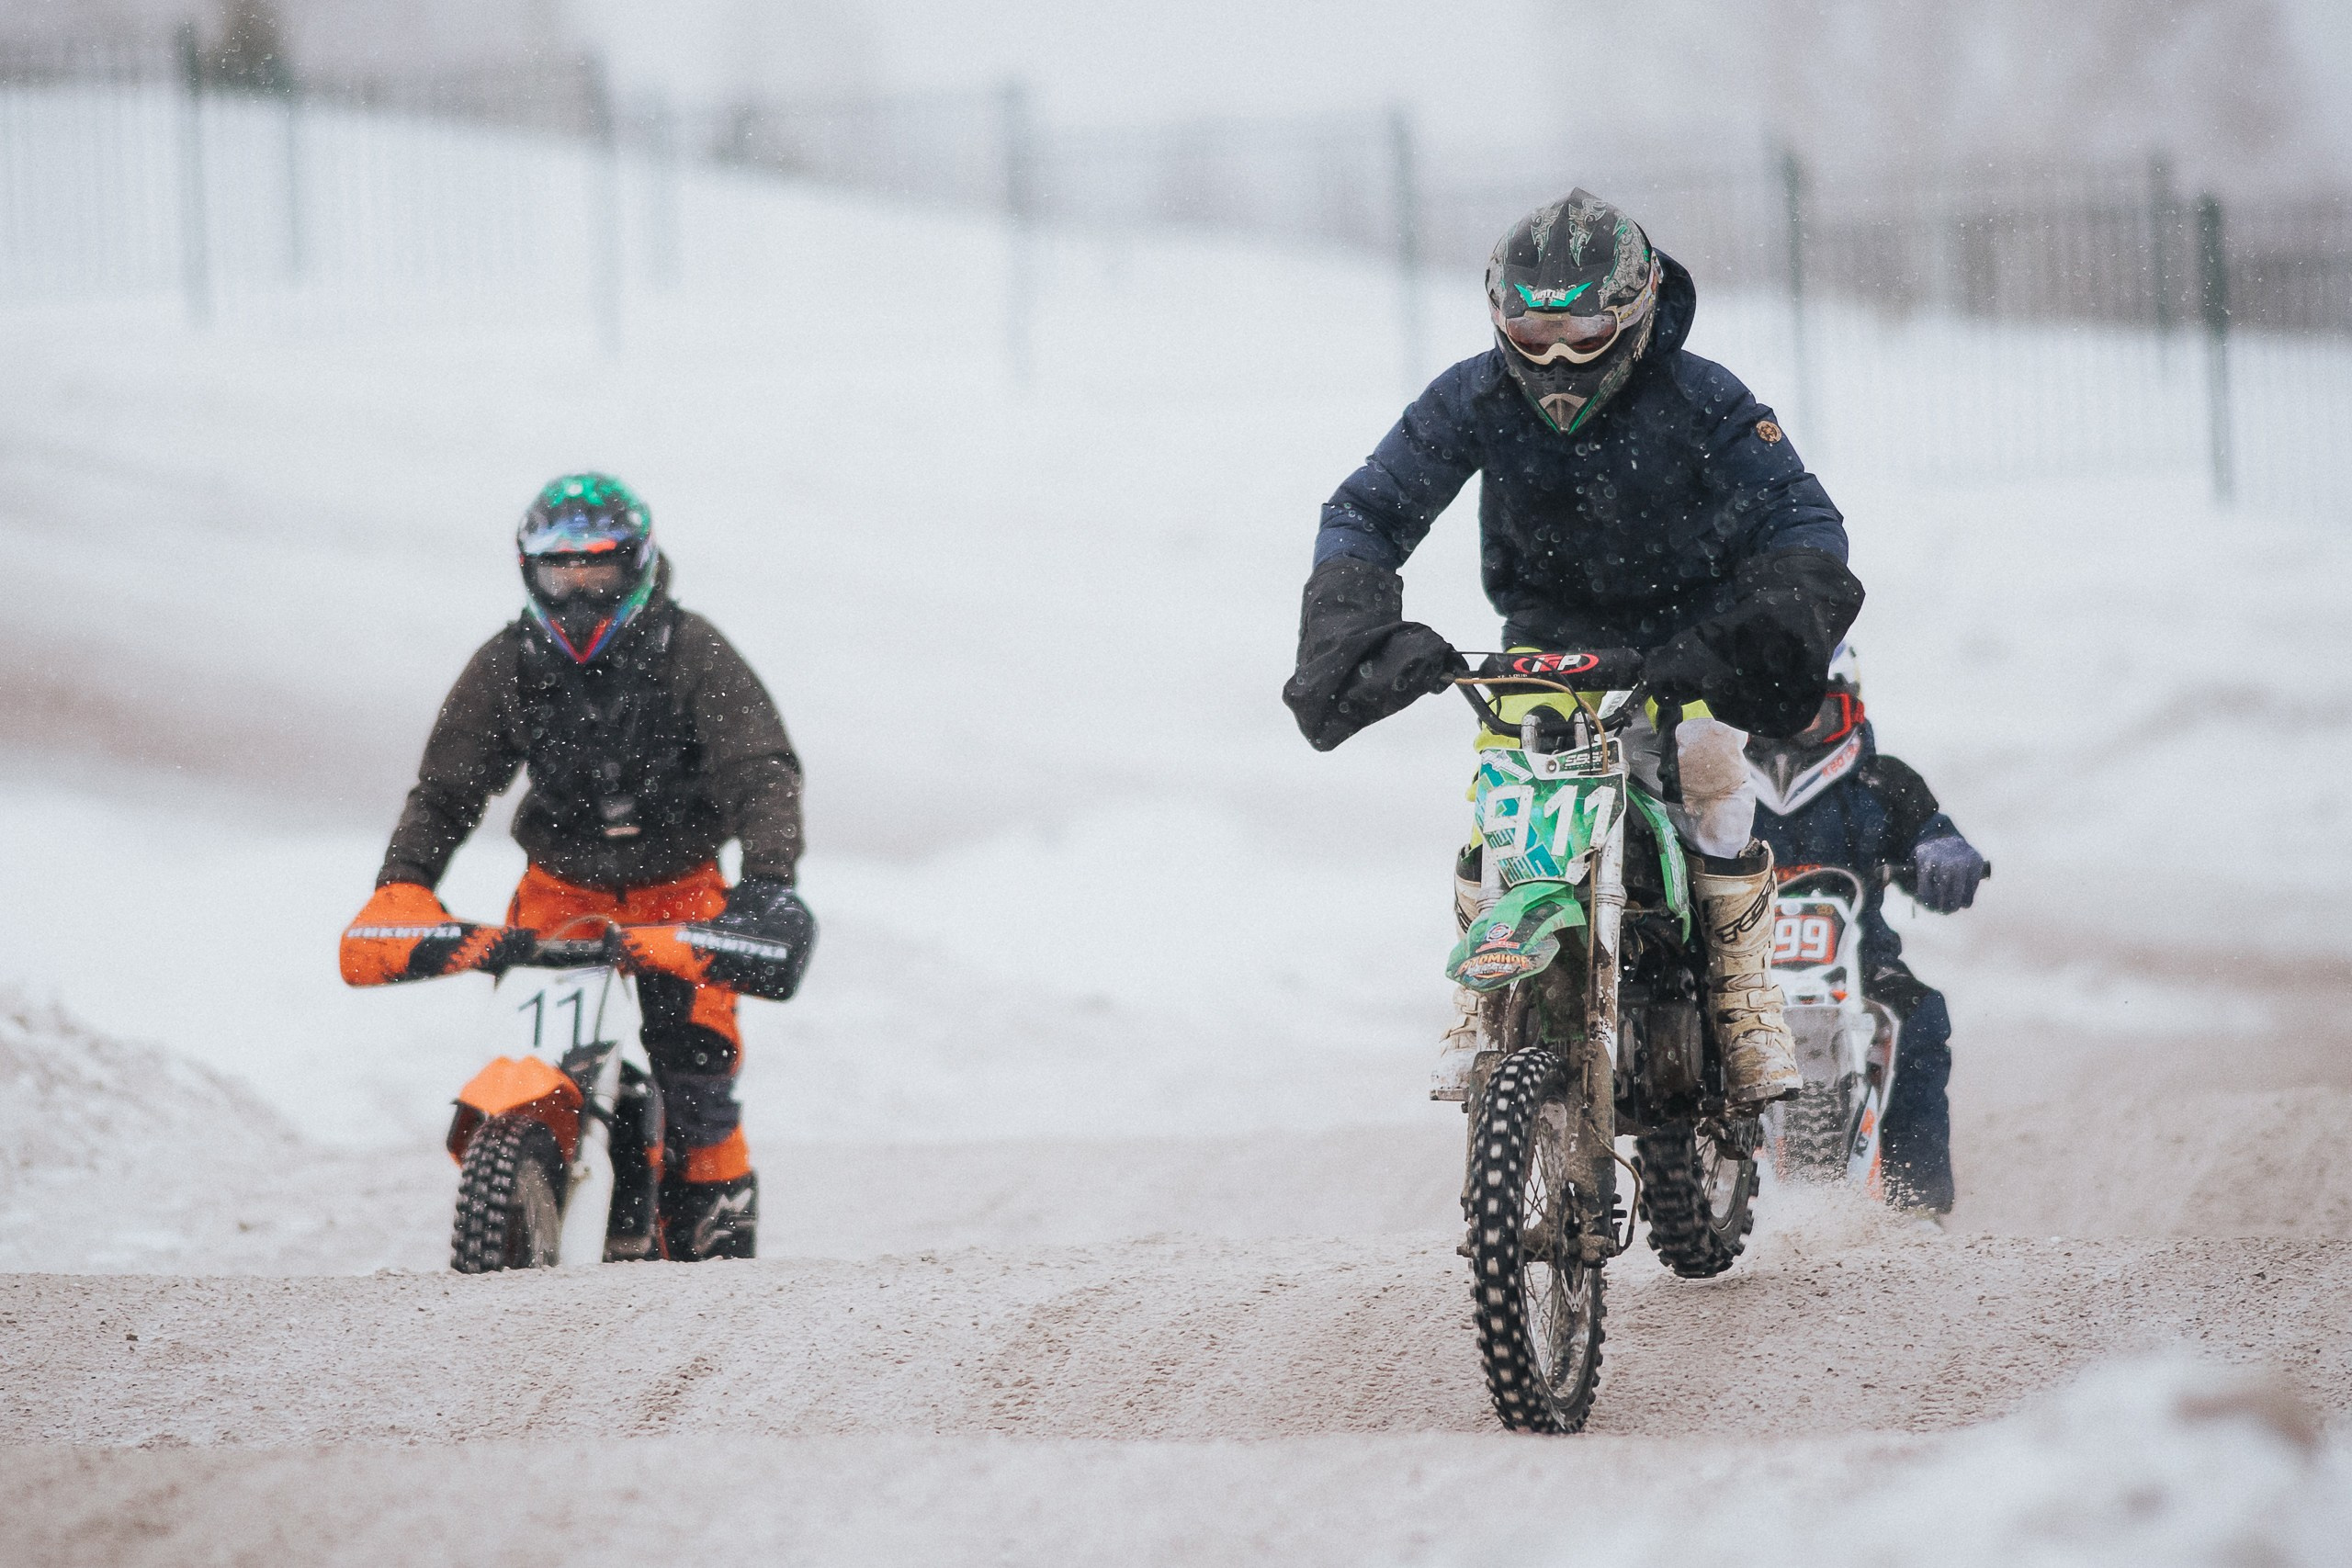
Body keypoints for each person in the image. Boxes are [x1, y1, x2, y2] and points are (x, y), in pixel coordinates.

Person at [1282, 189, 1863, 1109]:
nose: (1555, 357)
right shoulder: (1472, 393)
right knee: (1503, 796)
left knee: (1711, 767)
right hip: (1546, 643)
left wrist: (1769, 610)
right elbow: (1369, 508)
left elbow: (1801, 512)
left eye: (1585, 330)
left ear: (1632, 315)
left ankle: (1744, 998)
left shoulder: (1703, 396)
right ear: (1498, 315)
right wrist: (1358, 612)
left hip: (1692, 639)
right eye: (1532, 330)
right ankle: (1484, 998)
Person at [339, 473, 813, 1260]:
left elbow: (761, 771)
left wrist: (768, 884)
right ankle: (524, 1192)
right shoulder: (507, 663)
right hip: (560, 893)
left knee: (696, 1076)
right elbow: (447, 789)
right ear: (531, 574)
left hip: (680, 897)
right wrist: (405, 882)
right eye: (564, 575)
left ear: (640, 566)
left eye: (600, 572)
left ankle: (717, 1262)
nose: (582, 593)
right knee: (529, 1060)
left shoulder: (695, 651)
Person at [1746, 645, 1986, 1219]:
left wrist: (1943, 853)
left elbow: (1933, 832)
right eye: (1773, 710)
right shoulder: (1719, 786)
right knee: (1673, 1036)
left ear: (1846, 706)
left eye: (1810, 709)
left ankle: (1914, 1206)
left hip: (1862, 961)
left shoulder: (1882, 781)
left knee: (1919, 1021)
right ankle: (1696, 1192)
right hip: (1734, 962)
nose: (1791, 727)